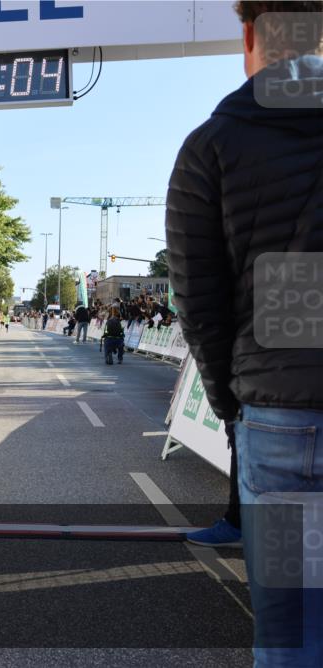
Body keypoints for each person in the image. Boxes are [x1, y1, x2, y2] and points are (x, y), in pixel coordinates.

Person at [166, 3, 323, 663]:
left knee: (289, 636)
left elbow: (199, 303)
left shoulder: (214, 145)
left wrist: (233, 405)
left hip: (281, 420)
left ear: (251, 36)